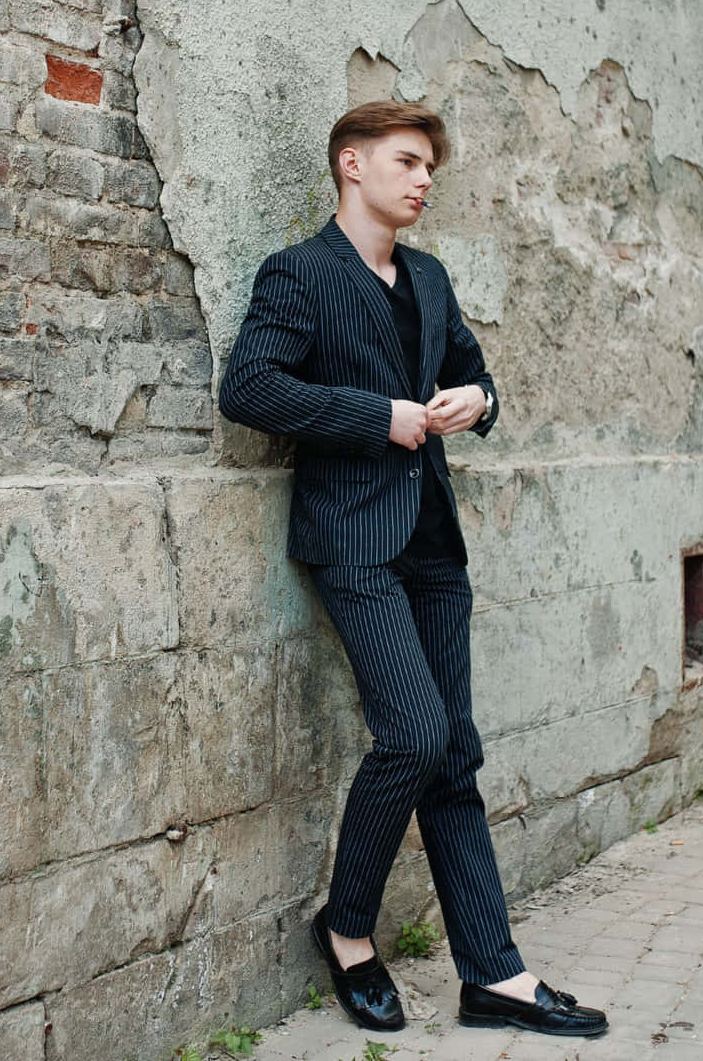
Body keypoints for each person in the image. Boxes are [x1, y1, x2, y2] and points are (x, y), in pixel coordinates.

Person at [216, 101, 609, 1039]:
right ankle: (347, 928)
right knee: (415, 735)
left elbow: (478, 375)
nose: (424, 179)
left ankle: (495, 976)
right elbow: (249, 388)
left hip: (433, 546)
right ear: (352, 165)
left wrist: (481, 398)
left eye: (430, 165)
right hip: (352, 539)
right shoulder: (300, 274)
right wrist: (377, 416)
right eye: (407, 162)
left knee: (455, 751)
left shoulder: (429, 279)